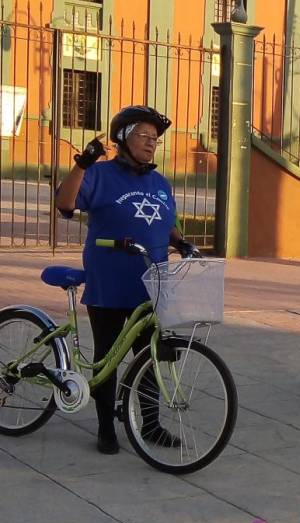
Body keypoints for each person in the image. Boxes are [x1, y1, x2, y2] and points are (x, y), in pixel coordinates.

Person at [55, 105, 198, 455]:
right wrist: (82, 164)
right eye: (144, 137)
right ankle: (106, 429)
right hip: (109, 284)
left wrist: (180, 242)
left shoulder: (160, 183)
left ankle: (150, 425)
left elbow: (165, 222)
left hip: (151, 285)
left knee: (150, 357)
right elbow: (65, 203)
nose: (151, 144)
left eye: (155, 139)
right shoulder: (100, 175)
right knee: (108, 359)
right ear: (123, 138)